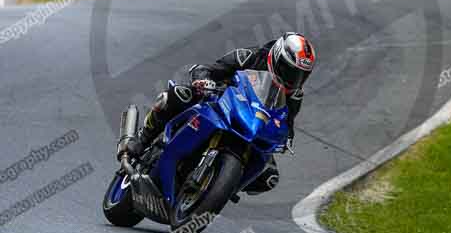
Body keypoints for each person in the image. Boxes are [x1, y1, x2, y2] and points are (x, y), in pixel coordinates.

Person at [119, 32, 317, 195]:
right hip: (219, 102)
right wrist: (203, 81)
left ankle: (220, 186)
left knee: (269, 175)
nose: (294, 79)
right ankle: (142, 139)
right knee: (178, 95)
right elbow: (208, 69)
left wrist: (286, 137)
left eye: (301, 75)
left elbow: (286, 122)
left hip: (251, 125)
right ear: (277, 57)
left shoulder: (295, 94)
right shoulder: (249, 56)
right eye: (290, 71)